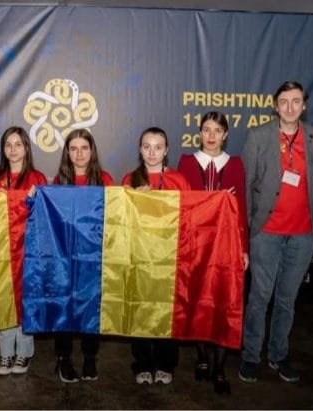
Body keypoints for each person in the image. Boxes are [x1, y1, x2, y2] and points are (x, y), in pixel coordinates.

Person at [239, 81, 313, 384]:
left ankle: (278, 355)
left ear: (304, 105)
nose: (290, 107)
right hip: (266, 233)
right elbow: (247, 185)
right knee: (259, 297)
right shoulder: (258, 137)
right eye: (284, 102)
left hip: (302, 235)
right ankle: (251, 356)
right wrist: (250, 230)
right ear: (275, 106)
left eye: (296, 101)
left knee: (287, 300)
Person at [178, 111, 249, 395]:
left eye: (217, 131)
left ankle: (220, 368)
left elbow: (242, 210)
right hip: (195, 247)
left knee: (223, 303)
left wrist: (244, 249)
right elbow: (180, 205)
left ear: (225, 135)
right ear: (199, 132)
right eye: (206, 129)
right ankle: (202, 358)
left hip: (226, 247)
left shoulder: (236, 164)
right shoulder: (186, 162)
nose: (211, 136)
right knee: (198, 302)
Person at [122, 126, 191, 385]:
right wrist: (133, 201)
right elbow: (120, 220)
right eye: (147, 147)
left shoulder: (179, 180)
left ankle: (165, 363)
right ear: (140, 149)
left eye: (158, 147)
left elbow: (190, 216)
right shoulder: (130, 178)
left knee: (166, 310)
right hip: (139, 255)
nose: (152, 152)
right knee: (140, 310)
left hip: (168, 258)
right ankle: (142, 363)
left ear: (166, 150)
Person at [51, 129, 115, 383]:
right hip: (65, 257)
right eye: (74, 149)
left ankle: (90, 357)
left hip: (94, 257)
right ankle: (63, 358)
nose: (79, 154)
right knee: (64, 307)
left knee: (91, 307)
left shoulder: (105, 179)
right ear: (67, 152)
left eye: (84, 148)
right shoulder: (58, 181)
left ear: (92, 151)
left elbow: (116, 214)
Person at [0, 126, 47, 375]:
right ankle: (5, 354)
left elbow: (44, 216)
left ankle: (23, 353)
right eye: (8, 144)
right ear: (3, 149)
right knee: (4, 300)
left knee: (25, 300)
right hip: (0, 248)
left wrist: (33, 200)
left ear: (26, 148)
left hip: (28, 250)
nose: (13, 149)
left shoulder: (37, 178)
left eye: (18, 144)